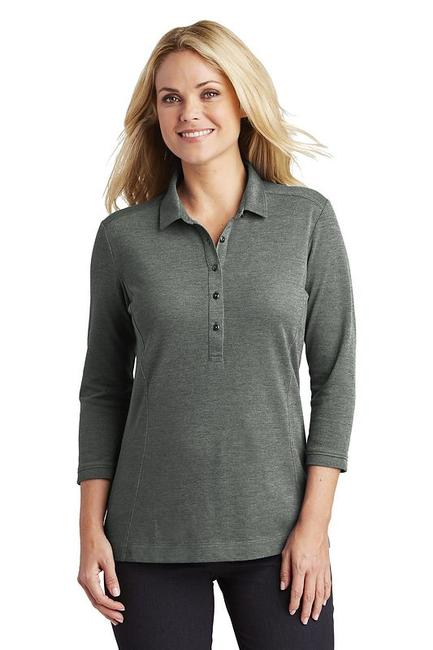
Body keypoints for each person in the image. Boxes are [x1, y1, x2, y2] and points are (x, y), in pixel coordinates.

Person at [76, 19, 356, 650]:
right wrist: (91, 527)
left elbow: (336, 377)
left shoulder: (307, 220)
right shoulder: (122, 239)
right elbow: (103, 389)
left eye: (209, 93)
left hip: (281, 538)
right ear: (155, 113)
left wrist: (315, 527)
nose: (189, 113)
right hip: (148, 540)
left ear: (242, 102)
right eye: (170, 97)